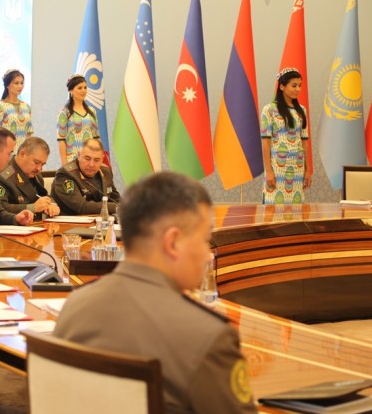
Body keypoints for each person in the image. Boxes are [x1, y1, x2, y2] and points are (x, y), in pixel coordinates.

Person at [55, 172, 258, 414]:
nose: (208, 255)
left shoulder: (75, 306)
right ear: (173, 242)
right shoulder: (206, 336)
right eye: (205, 239)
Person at [261, 68, 311, 205]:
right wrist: (268, 171)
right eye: (294, 85)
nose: (298, 89)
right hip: (277, 168)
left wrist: (308, 170)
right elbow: (266, 142)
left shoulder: (302, 110)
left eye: (300, 85)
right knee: (273, 209)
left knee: (296, 210)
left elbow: (305, 142)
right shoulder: (269, 110)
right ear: (282, 86)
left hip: (297, 168)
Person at [51, 138, 120, 215]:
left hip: (100, 220)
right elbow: (81, 207)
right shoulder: (66, 174)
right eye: (87, 159)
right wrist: (116, 207)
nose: (91, 164)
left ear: (102, 159)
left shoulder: (106, 172)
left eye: (96, 160)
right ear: (79, 156)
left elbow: (116, 199)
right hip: (71, 220)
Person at [0, 136, 60, 220]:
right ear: (22, 154)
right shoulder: (3, 176)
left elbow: (42, 196)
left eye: (42, 164)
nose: (39, 169)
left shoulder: (37, 176)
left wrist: (52, 205)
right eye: (36, 162)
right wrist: (32, 207)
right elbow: (0, 208)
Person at [56, 73, 99, 164]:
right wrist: (64, 164)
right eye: (79, 88)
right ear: (71, 90)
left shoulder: (92, 111)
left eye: (85, 87)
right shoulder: (64, 112)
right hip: (72, 160)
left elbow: (96, 137)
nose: (83, 90)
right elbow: (61, 140)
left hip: (90, 160)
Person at [0, 69, 34, 150]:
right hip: (7, 151)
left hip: (24, 152)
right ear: (7, 85)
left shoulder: (26, 106)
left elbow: (29, 132)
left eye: (22, 83)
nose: (20, 86)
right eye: (16, 83)